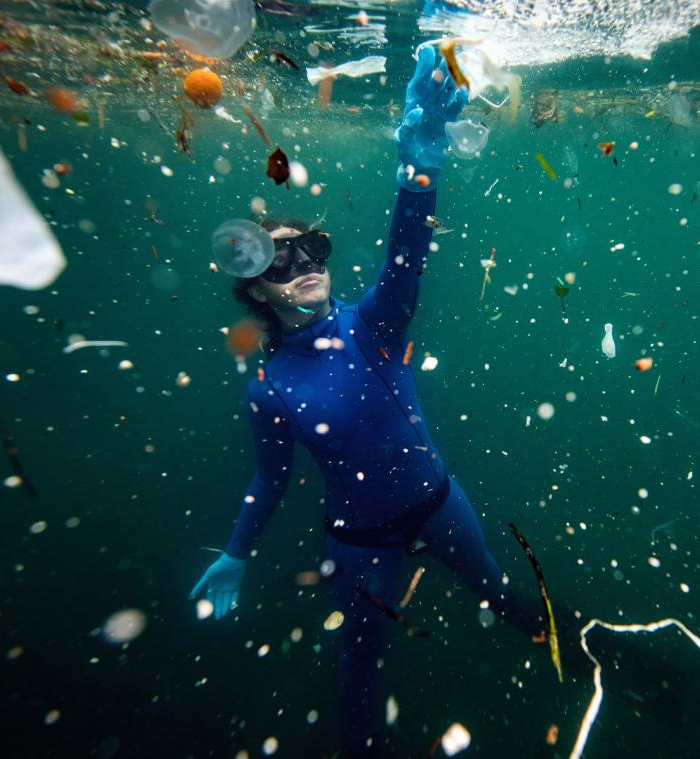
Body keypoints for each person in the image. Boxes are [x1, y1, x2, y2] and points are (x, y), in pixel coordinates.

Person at [189, 46, 543, 757]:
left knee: (502, 594)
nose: (306, 267)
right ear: (255, 289)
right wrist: (235, 552)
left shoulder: (372, 325)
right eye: (281, 262)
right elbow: (270, 478)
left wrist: (422, 158)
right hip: (358, 541)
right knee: (359, 659)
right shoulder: (268, 388)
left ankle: (572, 647)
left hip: (438, 502)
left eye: (313, 249)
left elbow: (406, 258)